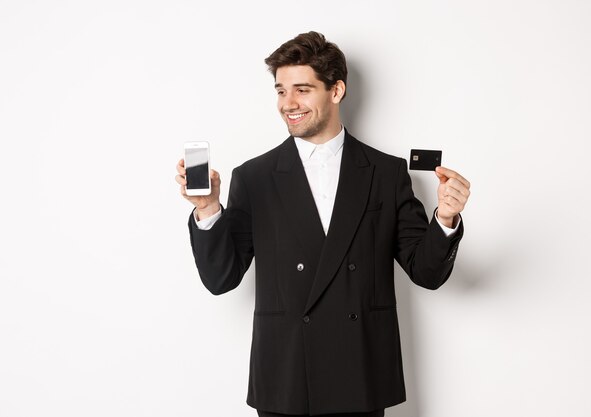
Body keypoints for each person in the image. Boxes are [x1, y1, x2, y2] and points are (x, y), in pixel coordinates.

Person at [175, 31, 470, 417]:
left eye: (302, 89)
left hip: (359, 374)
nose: (288, 104)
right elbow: (221, 279)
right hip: (286, 377)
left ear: (336, 91)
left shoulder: (385, 173)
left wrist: (445, 219)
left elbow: (427, 272)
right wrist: (209, 209)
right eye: (281, 91)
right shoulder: (254, 177)